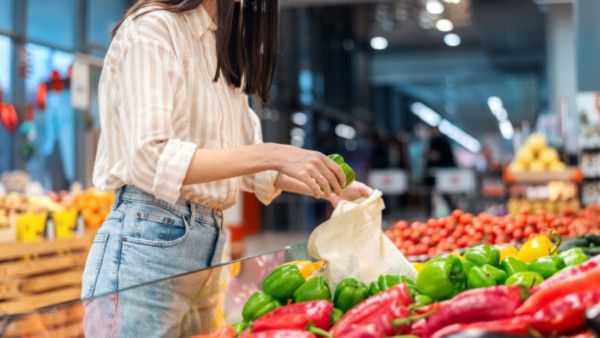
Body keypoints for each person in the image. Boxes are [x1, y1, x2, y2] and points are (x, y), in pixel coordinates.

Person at [82, 0, 372, 336]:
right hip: (147, 240)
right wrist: (273, 153)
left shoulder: (222, 46)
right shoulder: (153, 28)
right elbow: (152, 157)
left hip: (209, 247)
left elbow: (249, 168)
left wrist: (330, 187)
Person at [425, 127, 456, 216]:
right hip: (441, 171)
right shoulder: (443, 141)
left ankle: (452, 209)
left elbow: (434, 156)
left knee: (440, 192)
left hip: (439, 172)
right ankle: (452, 210)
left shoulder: (435, 141)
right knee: (439, 193)